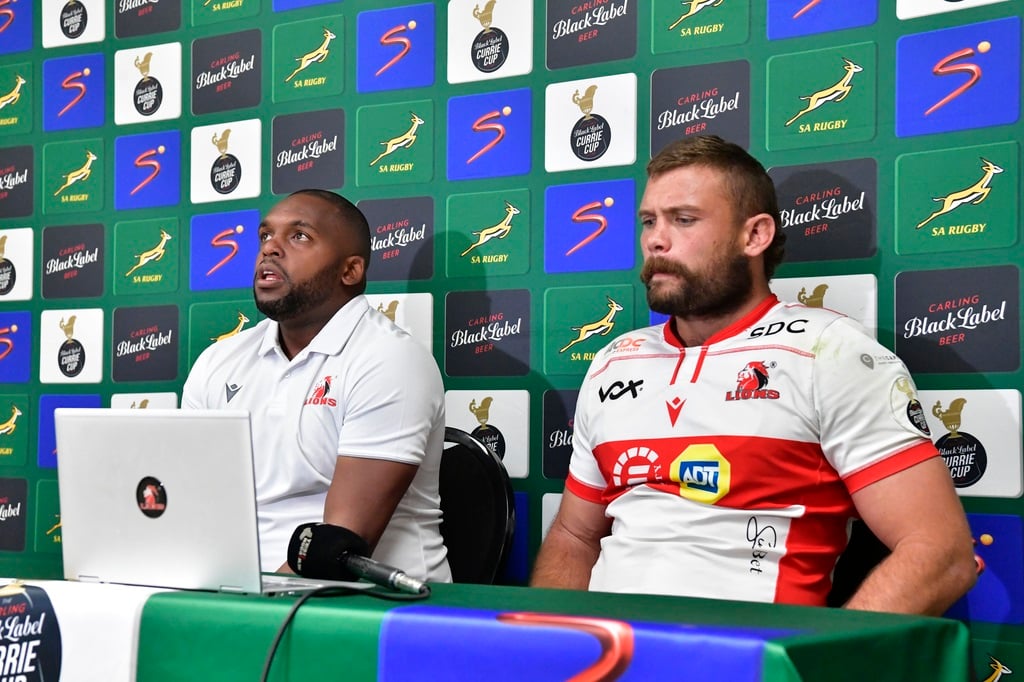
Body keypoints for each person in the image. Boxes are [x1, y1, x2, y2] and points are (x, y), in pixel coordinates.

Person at [530, 135, 977, 615]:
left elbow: (942, 554)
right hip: (605, 656)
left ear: (755, 236)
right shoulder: (615, 359)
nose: (656, 239)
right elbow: (575, 536)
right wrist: (545, 649)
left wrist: (818, 662)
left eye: (683, 219)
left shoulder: (829, 351)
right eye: (648, 221)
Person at [182, 189, 451, 582]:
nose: (270, 248)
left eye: (299, 236)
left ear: (350, 271)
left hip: (362, 606)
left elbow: (336, 548)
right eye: (265, 236)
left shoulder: (389, 360)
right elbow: (190, 504)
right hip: (240, 595)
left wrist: (238, 613)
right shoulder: (218, 362)